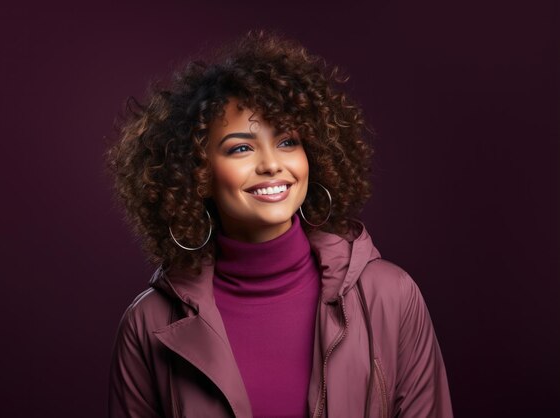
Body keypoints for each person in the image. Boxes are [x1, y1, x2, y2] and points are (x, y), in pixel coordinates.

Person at [105, 30, 453, 418]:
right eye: (241, 147)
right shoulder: (147, 324)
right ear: (199, 173)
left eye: (287, 141)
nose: (272, 164)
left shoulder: (391, 297)